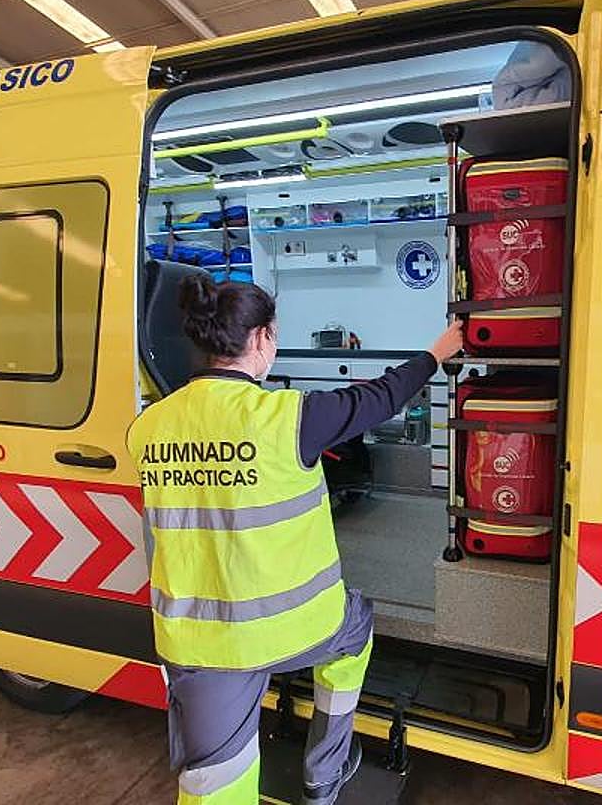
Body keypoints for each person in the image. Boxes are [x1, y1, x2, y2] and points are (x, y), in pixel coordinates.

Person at [126, 276, 464, 805]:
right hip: (296, 628)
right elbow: (381, 396)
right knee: (356, 627)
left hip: (198, 645)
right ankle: (324, 773)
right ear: (261, 338)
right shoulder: (289, 417)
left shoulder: (148, 427)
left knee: (214, 786)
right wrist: (437, 353)